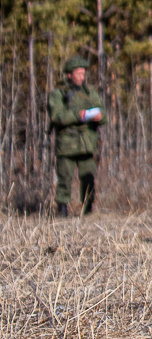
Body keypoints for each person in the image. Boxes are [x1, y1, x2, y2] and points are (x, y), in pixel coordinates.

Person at [47, 55, 104, 217]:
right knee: (64, 178)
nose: (82, 77)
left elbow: (102, 111)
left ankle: (88, 208)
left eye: (83, 73)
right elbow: (57, 116)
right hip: (67, 143)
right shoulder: (58, 94)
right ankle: (62, 209)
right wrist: (78, 115)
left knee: (89, 178)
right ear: (70, 74)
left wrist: (100, 116)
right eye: (78, 74)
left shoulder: (89, 92)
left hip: (86, 143)